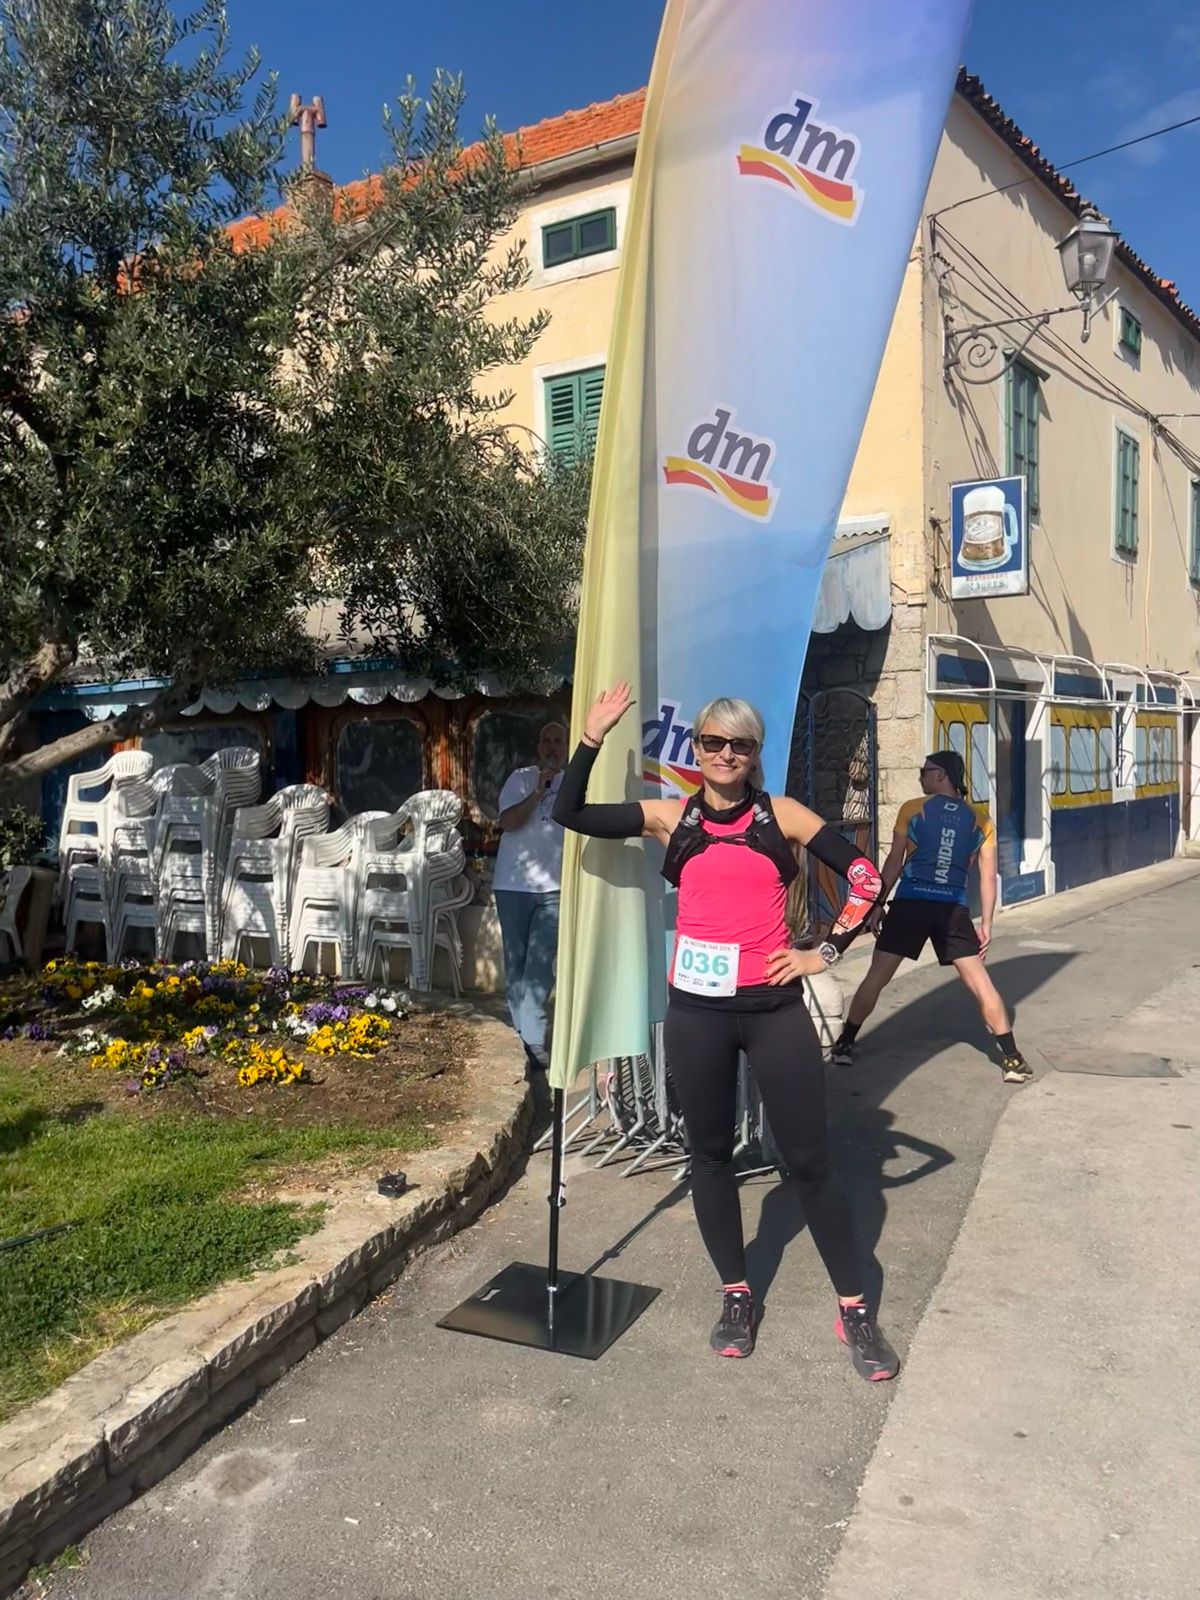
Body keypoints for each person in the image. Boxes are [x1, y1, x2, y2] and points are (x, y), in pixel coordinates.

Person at [554, 682, 899, 1382]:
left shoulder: (784, 815)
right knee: (709, 1157)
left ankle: (855, 1308)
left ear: (754, 753)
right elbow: (571, 813)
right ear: (698, 749)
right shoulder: (669, 817)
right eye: (713, 742)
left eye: (739, 744)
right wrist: (591, 737)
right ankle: (736, 1295)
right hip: (698, 1014)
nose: (725, 754)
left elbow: (866, 877)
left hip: (772, 1010)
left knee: (809, 1162)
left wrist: (824, 952)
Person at [831, 750, 1031, 1082]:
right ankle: (1012, 1059)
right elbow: (987, 877)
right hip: (952, 909)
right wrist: (986, 924)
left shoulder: (912, 809)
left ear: (941, 775)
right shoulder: (980, 820)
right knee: (981, 983)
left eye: (925, 771)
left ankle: (845, 1045)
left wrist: (877, 904)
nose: (921, 776)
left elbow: (893, 863)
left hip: (910, 904)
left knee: (876, 977)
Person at [494, 722, 568, 1071]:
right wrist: (539, 790)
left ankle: (533, 1038)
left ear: (566, 747)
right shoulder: (520, 779)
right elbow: (509, 822)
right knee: (517, 963)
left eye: (558, 741)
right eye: (546, 740)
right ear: (538, 747)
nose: (552, 746)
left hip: (555, 888)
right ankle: (521, 1038)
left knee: (540, 966)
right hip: (513, 885)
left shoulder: (575, 782)